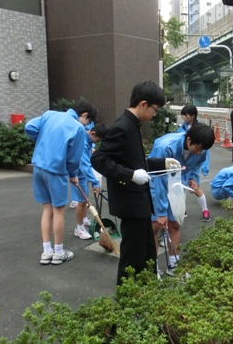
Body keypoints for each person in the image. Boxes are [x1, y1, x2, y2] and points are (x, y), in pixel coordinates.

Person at [90, 81, 180, 286]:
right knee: (132, 256)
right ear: (144, 104)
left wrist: (163, 162)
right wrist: (130, 175)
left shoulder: (132, 125)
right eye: (155, 110)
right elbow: (98, 159)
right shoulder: (123, 126)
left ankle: (143, 295)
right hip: (130, 203)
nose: (155, 114)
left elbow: (136, 162)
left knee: (147, 251)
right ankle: (127, 301)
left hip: (138, 202)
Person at [25, 98, 98, 265]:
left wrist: (44, 141)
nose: (87, 127)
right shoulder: (77, 128)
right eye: (88, 122)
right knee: (58, 212)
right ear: (84, 115)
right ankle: (58, 253)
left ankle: (46, 252)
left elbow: (29, 127)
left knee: (46, 209)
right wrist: (73, 175)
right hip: (56, 171)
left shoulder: (49, 115)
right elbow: (74, 158)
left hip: (38, 167)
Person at [149, 123, 215, 276]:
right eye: (198, 148)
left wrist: (193, 178)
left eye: (203, 149)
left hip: (177, 185)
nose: (200, 152)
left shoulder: (201, 151)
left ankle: (173, 264)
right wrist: (160, 211)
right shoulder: (165, 147)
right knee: (154, 226)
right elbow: (158, 179)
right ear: (189, 139)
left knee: (175, 224)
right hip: (156, 185)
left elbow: (195, 166)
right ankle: (152, 268)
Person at [71, 123, 108, 240]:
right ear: (92, 133)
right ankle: (79, 228)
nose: (97, 142)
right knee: (81, 202)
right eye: (97, 140)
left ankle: (84, 220)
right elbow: (84, 164)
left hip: (82, 174)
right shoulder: (83, 141)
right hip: (78, 174)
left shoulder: (88, 138)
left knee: (84, 200)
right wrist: (95, 181)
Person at [177, 105, 211, 222]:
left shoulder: (200, 129)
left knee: (195, 187)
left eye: (186, 115)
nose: (184, 117)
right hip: (182, 164)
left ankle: (205, 210)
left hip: (192, 163)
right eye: (183, 115)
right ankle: (182, 210)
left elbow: (204, 152)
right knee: (181, 189)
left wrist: (205, 167)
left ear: (193, 115)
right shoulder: (182, 128)